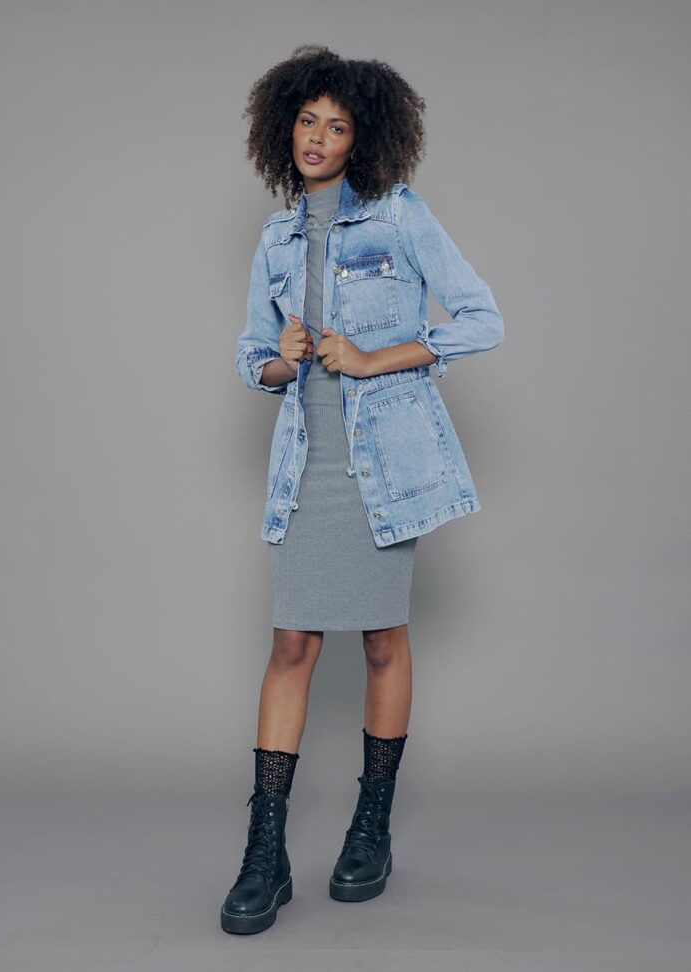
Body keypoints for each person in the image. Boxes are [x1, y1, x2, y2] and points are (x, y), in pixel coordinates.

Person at [222, 44, 504, 935]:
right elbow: (251, 360)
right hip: (306, 461)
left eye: (336, 126)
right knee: (291, 644)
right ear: (284, 128)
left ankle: (369, 830)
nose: (317, 137)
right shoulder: (275, 238)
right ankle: (265, 855)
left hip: (384, 462)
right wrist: (281, 359)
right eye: (307, 121)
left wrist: (376, 357)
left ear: (364, 138)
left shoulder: (399, 216)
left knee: (383, 639)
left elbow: (482, 318)